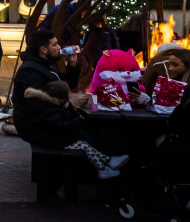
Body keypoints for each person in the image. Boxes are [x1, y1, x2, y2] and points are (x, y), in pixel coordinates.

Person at [12, 30, 128, 179]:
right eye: (54, 44)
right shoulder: (30, 71)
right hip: (36, 126)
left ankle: (106, 164)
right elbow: (41, 104)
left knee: (86, 129)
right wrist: (68, 108)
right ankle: (92, 175)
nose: (59, 47)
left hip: (46, 120)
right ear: (43, 49)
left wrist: (72, 64)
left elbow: (66, 85)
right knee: (81, 133)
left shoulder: (45, 66)